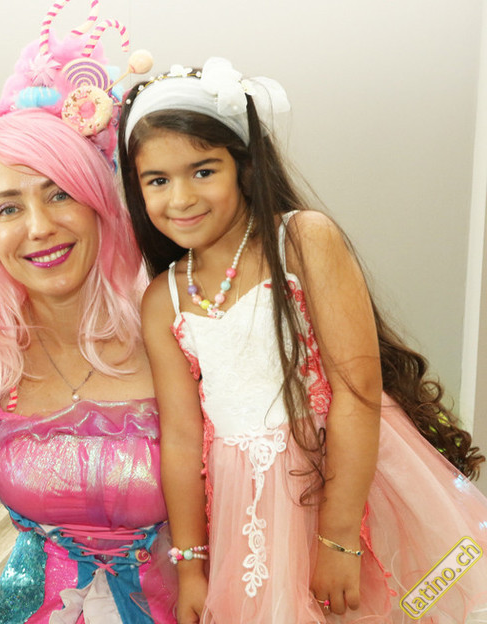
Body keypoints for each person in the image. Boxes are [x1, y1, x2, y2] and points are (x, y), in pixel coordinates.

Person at [118, 57, 487, 623]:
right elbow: (183, 439)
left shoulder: (303, 240)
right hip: (246, 511)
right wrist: (191, 566)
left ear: (244, 165)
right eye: (158, 180)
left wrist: (339, 537)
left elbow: (357, 392)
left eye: (203, 171)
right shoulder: (162, 299)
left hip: (343, 484)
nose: (181, 197)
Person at [0, 14, 174, 616]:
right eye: (8, 208)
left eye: (59, 193)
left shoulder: (176, 330)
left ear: (99, 199)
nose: (38, 228)